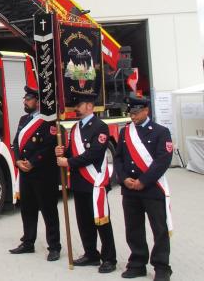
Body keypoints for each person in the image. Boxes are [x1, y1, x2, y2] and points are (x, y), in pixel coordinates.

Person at [56, 92, 117, 273]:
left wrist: (69, 162)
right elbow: (72, 151)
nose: (76, 108)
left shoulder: (100, 127)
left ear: (89, 106)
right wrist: (62, 152)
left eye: (80, 105)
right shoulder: (75, 128)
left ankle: (109, 258)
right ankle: (91, 253)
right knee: (84, 221)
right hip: (79, 183)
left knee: (101, 220)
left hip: (94, 183)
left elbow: (94, 154)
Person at [114, 95, 173, 281]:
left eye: (136, 112)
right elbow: (118, 158)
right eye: (131, 113)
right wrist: (124, 179)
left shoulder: (161, 131)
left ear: (146, 110)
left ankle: (162, 267)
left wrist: (143, 181)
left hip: (151, 187)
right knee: (133, 228)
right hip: (130, 189)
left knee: (159, 229)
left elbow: (163, 160)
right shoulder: (125, 133)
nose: (133, 116)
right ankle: (138, 263)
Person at [9, 86, 61, 262]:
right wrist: (17, 160)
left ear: (38, 102)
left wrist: (32, 162)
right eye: (25, 98)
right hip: (25, 172)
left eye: (28, 99)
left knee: (48, 210)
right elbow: (16, 142)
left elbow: (48, 146)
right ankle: (28, 242)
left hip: (43, 173)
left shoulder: (48, 121)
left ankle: (54, 246)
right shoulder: (24, 119)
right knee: (28, 209)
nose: (25, 101)